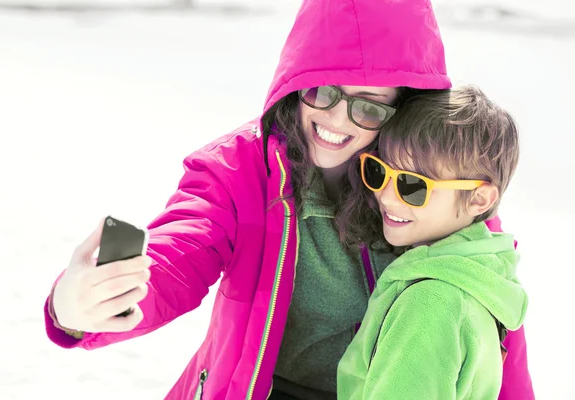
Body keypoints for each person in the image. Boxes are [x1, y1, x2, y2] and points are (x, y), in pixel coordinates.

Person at [43, 0, 534, 399]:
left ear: (401, 105)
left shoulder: (432, 188)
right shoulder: (238, 172)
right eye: (321, 91)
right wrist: (85, 306)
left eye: (368, 105)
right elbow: (180, 251)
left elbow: (497, 332)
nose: (337, 121)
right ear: (296, 84)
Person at [336, 86, 528, 399]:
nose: (384, 195)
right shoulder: (479, 278)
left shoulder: (430, 302)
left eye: (412, 185)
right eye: (378, 171)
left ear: (479, 199)